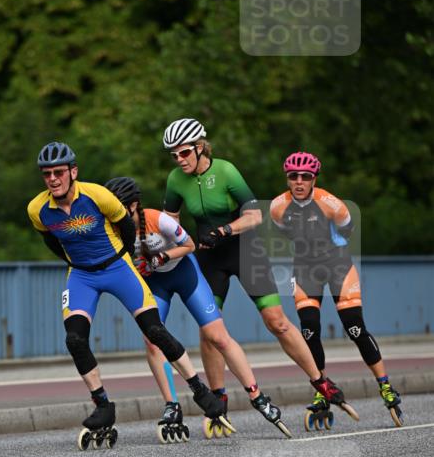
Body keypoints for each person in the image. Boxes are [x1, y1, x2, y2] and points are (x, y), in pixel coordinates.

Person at [26, 141, 230, 445]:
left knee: (155, 331)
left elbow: (126, 227)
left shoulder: (98, 196)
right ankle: (103, 405)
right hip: (81, 275)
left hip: (117, 268)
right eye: (46, 174)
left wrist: (120, 257)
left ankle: (200, 391)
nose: (53, 179)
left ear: (73, 172)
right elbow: (52, 242)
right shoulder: (37, 209)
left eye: (58, 172)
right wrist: (77, 262)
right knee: (75, 339)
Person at [161, 117, 357, 421]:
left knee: (276, 322)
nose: (179, 160)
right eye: (173, 155)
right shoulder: (176, 179)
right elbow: (168, 221)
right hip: (209, 259)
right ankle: (218, 399)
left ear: (200, 147)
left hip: (245, 251)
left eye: (184, 152)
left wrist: (225, 230)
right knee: (209, 330)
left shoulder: (226, 171)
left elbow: (254, 215)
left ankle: (321, 381)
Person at [104, 176, 291, 438]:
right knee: (151, 340)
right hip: (157, 282)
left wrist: (163, 256)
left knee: (217, 337)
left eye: (118, 207)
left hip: (184, 273)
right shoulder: (113, 229)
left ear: (133, 205)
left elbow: (189, 245)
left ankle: (257, 395)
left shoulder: (158, 219)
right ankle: (171, 405)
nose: (113, 214)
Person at [270, 151, 403, 427]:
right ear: (287, 178)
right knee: (309, 329)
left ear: (314, 178)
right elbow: (284, 230)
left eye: (305, 177)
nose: (298, 181)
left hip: (338, 264)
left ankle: (385, 385)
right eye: (293, 176)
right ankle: (321, 390)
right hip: (306, 269)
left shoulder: (331, 203)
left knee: (354, 327)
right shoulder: (277, 207)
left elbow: (347, 229)